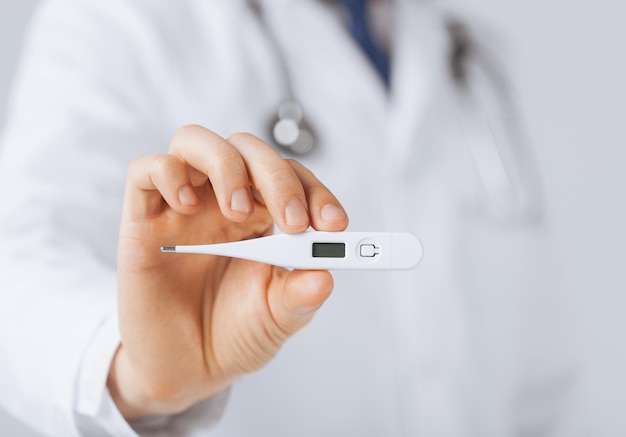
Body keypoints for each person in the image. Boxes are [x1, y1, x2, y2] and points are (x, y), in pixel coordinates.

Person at [0, 0, 580, 436]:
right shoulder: (124, 20)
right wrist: (136, 369)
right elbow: (17, 268)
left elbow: (535, 360)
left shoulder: (469, 55)